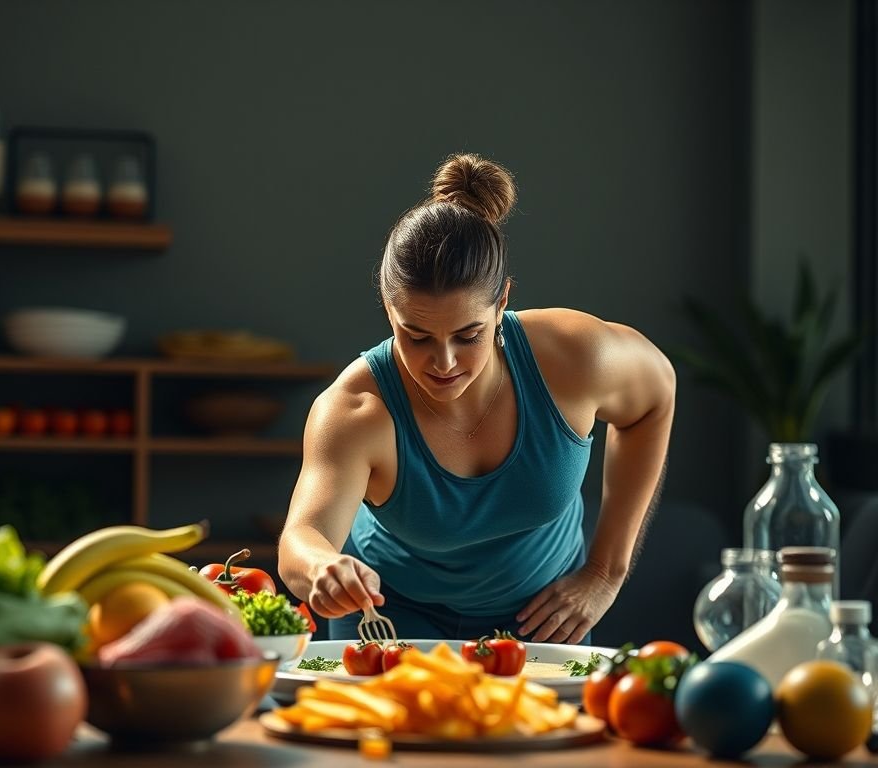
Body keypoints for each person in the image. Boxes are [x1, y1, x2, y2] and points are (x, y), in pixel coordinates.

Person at [277, 153, 676, 644]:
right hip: (391, 619)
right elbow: (301, 539)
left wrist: (604, 572)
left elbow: (655, 397)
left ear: (502, 301)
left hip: (544, 620)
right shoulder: (356, 409)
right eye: (417, 337)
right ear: (389, 310)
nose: (443, 363)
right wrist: (322, 569)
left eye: (468, 335)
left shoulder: (576, 359)